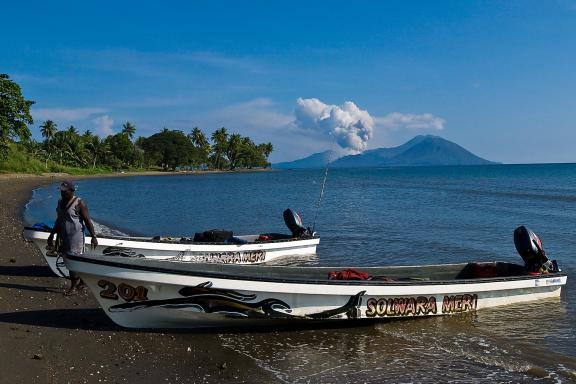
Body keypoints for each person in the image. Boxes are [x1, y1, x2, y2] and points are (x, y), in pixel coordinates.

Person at [47, 179, 98, 295]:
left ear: (72, 191)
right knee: (67, 261)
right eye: (61, 191)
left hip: (76, 237)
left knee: (72, 262)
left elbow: (87, 221)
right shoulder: (59, 203)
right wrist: (51, 234)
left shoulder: (79, 203)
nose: (62, 193)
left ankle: (73, 287)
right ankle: (82, 282)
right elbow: (58, 220)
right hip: (64, 236)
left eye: (65, 191)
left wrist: (93, 236)